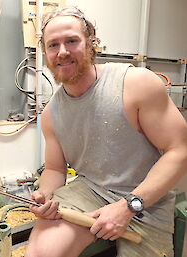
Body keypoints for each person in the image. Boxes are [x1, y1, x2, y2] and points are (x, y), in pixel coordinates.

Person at [24, 6, 187, 257]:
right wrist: (45, 195)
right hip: (91, 191)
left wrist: (128, 207)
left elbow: (179, 150)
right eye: (53, 45)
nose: (63, 52)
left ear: (91, 44)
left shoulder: (135, 84)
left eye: (72, 41)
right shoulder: (51, 113)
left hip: (146, 201)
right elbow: (55, 169)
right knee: (42, 252)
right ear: (45, 53)